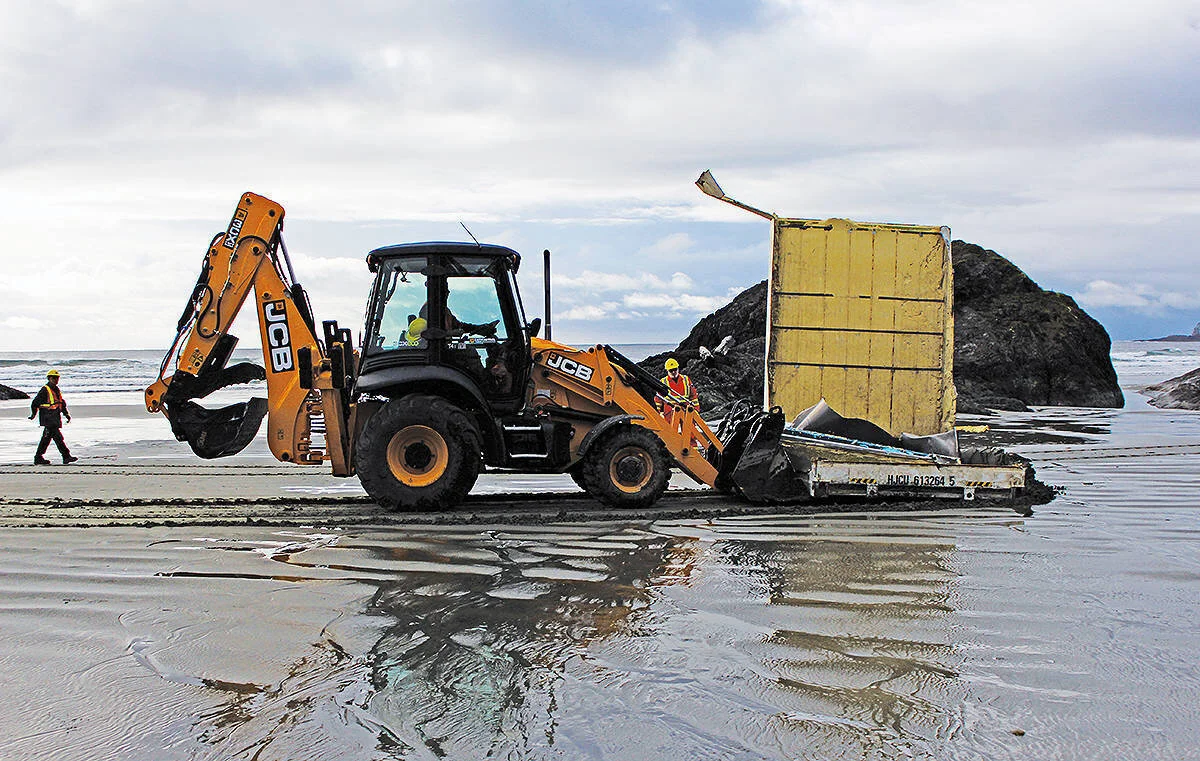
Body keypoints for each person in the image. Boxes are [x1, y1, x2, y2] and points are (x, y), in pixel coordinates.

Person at [29, 369, 78, 465]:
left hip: (54, 418)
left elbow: (61, 403)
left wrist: (66, 414)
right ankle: (65, 456)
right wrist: (33, 414)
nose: (56, 380)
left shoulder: (56, 390)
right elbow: (35, 403)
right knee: (56, 438)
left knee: (50, 439)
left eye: (57, 378)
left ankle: (40, 457)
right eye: (54, 378)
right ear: (49, 378)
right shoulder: (45, 390)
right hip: (48, 419)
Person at [655, 357, 699, 424]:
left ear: (678, 369)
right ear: (667, 371)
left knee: (690, 432)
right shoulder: (663, 382)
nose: (673, 372)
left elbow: (693, 396)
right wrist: (656, 414)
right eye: (671, 370)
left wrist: (696, 410)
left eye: (675, 369)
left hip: (686, 410)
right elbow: (658, 399)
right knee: (670, 433)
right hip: (670, 412)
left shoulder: (686, 379)